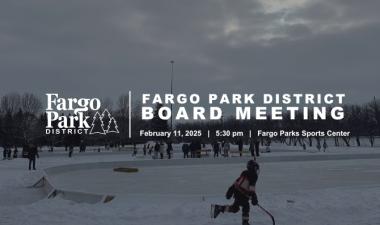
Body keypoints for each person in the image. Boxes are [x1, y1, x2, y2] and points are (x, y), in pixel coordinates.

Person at [212, 160, 259, 225]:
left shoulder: (244, 174)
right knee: (246, 207)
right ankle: (245, 222)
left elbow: (235, 184)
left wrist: (230, 191)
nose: (256, 170)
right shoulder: (253, 176)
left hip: (237, 193)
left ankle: (220, 208)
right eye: (256, 168)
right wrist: (254, 199)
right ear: (253, 168)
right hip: (242, 195)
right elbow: (252, 189)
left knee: (235, 208)